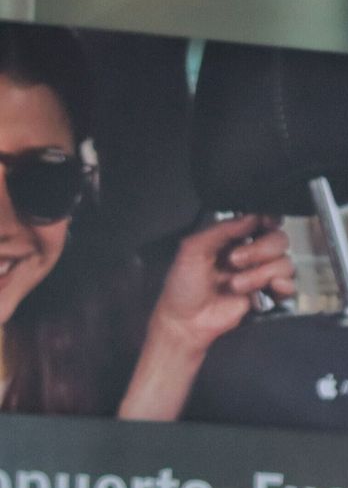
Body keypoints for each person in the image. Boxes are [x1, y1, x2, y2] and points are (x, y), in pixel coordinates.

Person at [0, 22, 295, 420]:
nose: (3, 224)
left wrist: (178, 337)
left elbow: (112, 484)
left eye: (45, 179)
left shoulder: (86, 347)